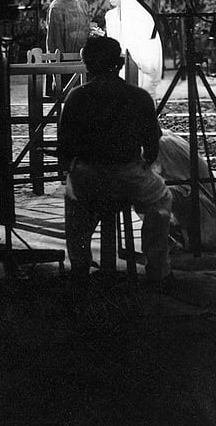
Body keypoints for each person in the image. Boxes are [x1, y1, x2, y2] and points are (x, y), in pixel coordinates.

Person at [58, 36, 174, 291]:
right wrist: (144, 164)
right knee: (161, 200)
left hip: (89, 174)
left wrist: (74, 168)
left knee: (75, 207)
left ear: (87, 65)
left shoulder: (77, 97)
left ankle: (79, 266)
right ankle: (158, 269)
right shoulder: (139, 96)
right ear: (120, 63)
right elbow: (152, 144)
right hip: (128, 174)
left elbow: (65, 147)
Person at [154, 128, 216, 251]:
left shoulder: (161, 143)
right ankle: (171, 238)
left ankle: (171, 241)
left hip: (200, 209)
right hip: (197, 199)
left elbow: (152, 174)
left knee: (145, 193)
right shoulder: (167, 138)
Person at [105, 0, 163, 101]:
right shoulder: (111, 16)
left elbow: (147, 52)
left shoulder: (142, 16)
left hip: (142, 68)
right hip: (121, 66)